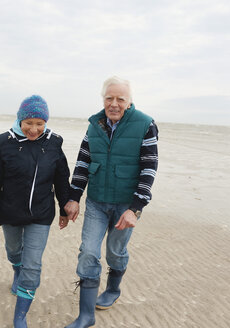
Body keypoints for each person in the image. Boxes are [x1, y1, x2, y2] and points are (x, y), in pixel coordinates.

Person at [64, 76, 159, 328]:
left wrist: (135, 208)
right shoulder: (94, 124)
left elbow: (149, 168)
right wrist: (74, 197)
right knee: (88, 252)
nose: (114, 104)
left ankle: (113, 290)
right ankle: (86, 315)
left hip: (125, 205)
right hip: (96, 202)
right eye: (109, 98)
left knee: (115, 253)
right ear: (103, 99)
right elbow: (83, 161)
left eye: (120, 99)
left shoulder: (145, 124)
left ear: (129, 101)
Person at [0, 95, 71, 328]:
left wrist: (64, 208)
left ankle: (19, 317)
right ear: (19, 119)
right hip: (9, 213)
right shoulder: (1, 143)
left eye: (40, 123)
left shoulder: (54, 142)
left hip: (41, 215)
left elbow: (61, 179)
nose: (34, 129)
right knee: (13, 251)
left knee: (33, 265)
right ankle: (16, 269)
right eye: (29, 122)